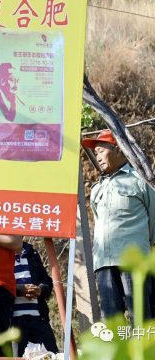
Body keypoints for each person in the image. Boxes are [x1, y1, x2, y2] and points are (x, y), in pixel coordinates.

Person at [82, 130, 155, 321]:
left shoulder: (140, 180)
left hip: (133, 260)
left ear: (118, 149)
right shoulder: (97, 188)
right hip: (103, 263)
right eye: (95, 153)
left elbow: (153, 222)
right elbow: (99, 220)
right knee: (111, 321)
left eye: (101, 151)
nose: (97, 157)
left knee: (140, 317)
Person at [12, 241, 58, 356]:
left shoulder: (31, 252)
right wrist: (20, 290)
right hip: (14, 320)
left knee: (51, 355)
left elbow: (46, 280)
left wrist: (40, 289)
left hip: (39, 318)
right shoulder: (0, 253)